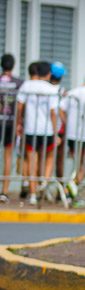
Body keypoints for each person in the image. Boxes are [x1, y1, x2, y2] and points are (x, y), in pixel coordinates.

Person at [15, 61, 60, 206]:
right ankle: (44, 181)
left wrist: (19, 123)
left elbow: (19, 106)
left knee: (32, 161)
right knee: (49, 157)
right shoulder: (51, 89)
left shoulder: (27, 85)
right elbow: (53, 113)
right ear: (48, 74)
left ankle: (33, 194)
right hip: (46, 130)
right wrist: (55, 132)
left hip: (30, 129)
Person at [0, 54, 23, 203]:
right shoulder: (19, 83)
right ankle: (4, 191)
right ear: (13, 66)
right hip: (10, 124)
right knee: (8, 157)